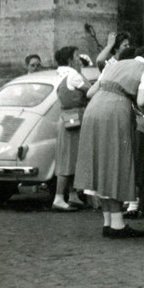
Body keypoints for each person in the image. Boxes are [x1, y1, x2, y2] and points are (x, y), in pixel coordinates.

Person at [74, 51, 144, 238]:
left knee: (100, 163)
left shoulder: (113, 65)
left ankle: (108, 221)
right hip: (115, 111)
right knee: (114, 161)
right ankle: (117, 225)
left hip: (93, 110)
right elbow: (141, 100)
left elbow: (91, 92)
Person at [52, 46, 91, 211]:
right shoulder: (73, 75)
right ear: (69, 60)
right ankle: (59, 197)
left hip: (66, 117)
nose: (79, 59)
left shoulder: (59, 73)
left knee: (72, 157)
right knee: (68, 158)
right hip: (75, 118)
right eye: (76, 56)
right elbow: (90, 91)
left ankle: (73, 194)